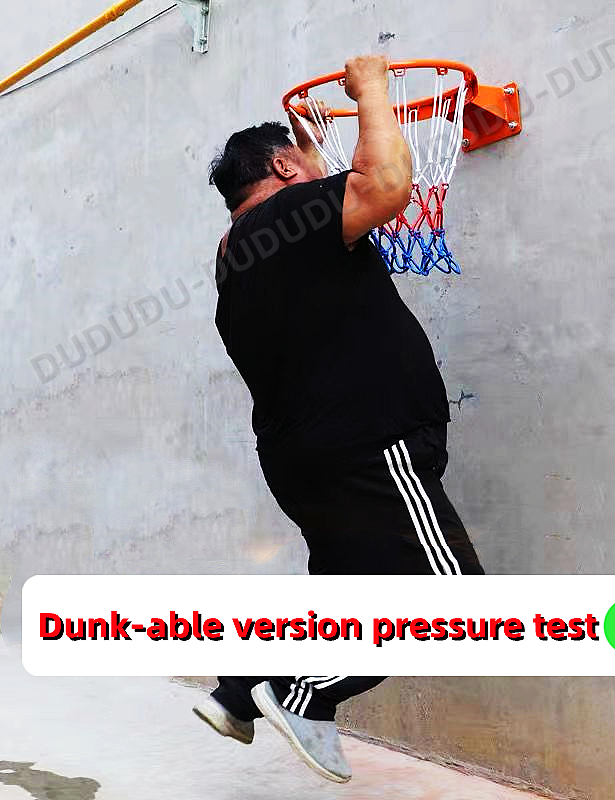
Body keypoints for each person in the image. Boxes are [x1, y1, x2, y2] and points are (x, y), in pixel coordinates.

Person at [192, 55, 484, 783]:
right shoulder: (293, 216)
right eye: (307, 163)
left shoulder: (235, 253)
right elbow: (381, 184)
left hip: (306, 459)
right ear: (284, 168)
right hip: (370, 447)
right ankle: (304, 695)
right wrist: (373, 90)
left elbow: (330, 193)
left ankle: (239, 689)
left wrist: (309, 146)